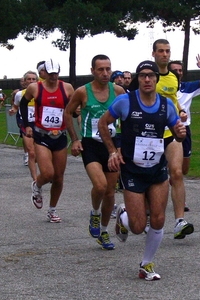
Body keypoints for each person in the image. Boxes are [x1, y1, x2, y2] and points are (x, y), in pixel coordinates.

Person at [98, 60, 186, 280]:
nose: (147, 79)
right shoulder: (125, 101)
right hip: (132, 170)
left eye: (151, 75)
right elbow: (103, 123)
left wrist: (180, 133)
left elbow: (176, 131)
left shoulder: (166, 105)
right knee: (138, 227)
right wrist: (112, 151)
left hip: (157, 169)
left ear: (157, 78)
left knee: (157, 220)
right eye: (143, 75)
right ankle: (124, 216)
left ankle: (146, 265)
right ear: (138, 79)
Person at [64, 54, 125, 250]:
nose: (105, 73)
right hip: (91, 143)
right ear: (92, 71)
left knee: (110, 192)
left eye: (108, 69)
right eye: (101, 69)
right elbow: (67, 112)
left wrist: (121, 147)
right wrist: (74, 139)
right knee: (100, 186)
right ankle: (95, 213)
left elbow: (126, 118)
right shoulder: (83, 92)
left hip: (112, 145)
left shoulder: (118, 91)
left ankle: (104, 231)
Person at [19, 59, 74, 223]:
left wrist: (76, 111)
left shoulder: (67, 88)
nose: (53, 77)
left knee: (58, 177)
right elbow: (23, 104)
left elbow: (72, 110)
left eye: (55, 74)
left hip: (60, 135)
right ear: (44, 73)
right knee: (48, 173)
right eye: (49, 74)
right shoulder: (35, 88)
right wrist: (27, 126)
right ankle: (37, 185)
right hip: (42, 135)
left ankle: (52, 209)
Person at [152, 38, 194, 239]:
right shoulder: (146, 75)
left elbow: (174, 101)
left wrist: (181, 112)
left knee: (176, 173)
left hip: (170, 134)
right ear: (154, 54)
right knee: (149, 178)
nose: (165, 54)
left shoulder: (172, 78)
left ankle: (179, 221)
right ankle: (135, 212)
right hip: (149, 137)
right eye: (160, 51)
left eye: (167, 51)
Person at [168, 54, 200, 177]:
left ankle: (173, 180)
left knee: (184, 169)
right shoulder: (161, 87)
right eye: (174, 70)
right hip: (166, 130)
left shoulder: (188, 87)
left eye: (180, 70)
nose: (178, 72)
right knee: (172, 168)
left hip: (184, 129)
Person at [9, 71, 38, 181]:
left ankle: (44, 171)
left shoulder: (41, 93)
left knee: (37, 153)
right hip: (25, 123)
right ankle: (35, 180)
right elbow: (16, 106)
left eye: (33, 79)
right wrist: (13, 110)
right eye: (28, 79)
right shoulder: (19, 94)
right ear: (24, 82)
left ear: (37, 81)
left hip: (38, 123)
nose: (31, 81)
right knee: (31, 151)